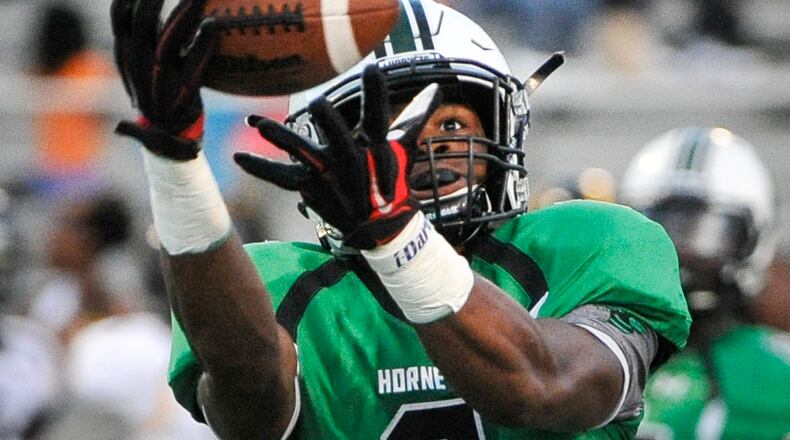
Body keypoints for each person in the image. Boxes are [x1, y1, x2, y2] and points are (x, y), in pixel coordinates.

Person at [111, 0, 690, 438]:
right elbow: (249, 403)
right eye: (388, 131)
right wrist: (177, 170)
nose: (429, 147)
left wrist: (395, 233)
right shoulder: (275, 286)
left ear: (503, 124)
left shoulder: (591, 245)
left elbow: (545, 389)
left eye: (453, 124)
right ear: (320, 151)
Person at [620, 127, 790, 439]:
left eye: (708, 234)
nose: (681, 252)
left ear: (754, 241)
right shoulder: (603, 349)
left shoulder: (776, 372)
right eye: (662, 229)